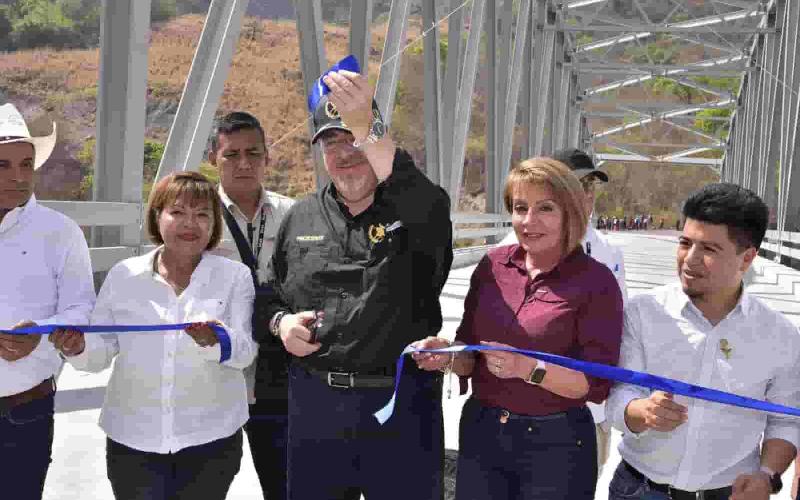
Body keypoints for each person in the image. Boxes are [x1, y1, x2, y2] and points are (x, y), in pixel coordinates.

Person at [262, 68, 453, 499]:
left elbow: (426, 201)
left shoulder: (420, 211)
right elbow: (270, 296)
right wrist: (281, 323)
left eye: (354, 138)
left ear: (375, 140)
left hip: (401, 407)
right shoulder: (300, 217)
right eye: (332, 144)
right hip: (316, 411)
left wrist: (367, 123)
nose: (344, 153)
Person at [415, 157, 623, 499]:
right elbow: (471, 351)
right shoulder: (493, 265)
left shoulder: (597, 282)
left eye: (545, 209)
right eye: (520, 207)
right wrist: (447, 357)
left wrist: (528, 369)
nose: (529, 221)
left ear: (570, 212)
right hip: (483, 432)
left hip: (555, 443)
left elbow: (595, 384)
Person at [53, 172, 257, 500]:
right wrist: (77, 348)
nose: (190, 223)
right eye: (177, 212)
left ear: (214, 223)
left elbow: (245, 352)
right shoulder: (124, 275)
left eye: (202, 214)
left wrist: (215, 341)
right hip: (133, 441)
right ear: (156, 216)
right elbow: (101, 350)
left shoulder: (235, 276)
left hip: (211, 441)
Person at [606, 183, 799, 500]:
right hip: (638, 489)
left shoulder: (781, 336)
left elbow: (785, 420)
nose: (689, 259)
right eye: (685, 243)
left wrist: (766, 477)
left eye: (709, 249)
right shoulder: (643, 312)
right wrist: (640, 411)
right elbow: (618, 393)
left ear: (747, 258)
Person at [500, 148, 627, 474]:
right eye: (576, 184)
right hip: (524, 409)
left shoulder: (608, 252)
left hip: (587, 413)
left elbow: (618, 331)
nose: (586, 194)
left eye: (590, 186)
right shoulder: (509, 249)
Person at [0, 102, 95, 500]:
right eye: (2, 165)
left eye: (26, 163)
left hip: (27, 410)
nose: (18, 177)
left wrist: (42, 332)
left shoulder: (62, 232)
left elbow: (82, 307)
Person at [208, 111, 294, 500]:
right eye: (231, 154)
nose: (244, 163)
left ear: (267, 157)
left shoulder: (295, 214)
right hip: (215, 372)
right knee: (204, 482)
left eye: (253, 153)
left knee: (284, 482)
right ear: (214, 157)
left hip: (277, 372)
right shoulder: (197, 215)